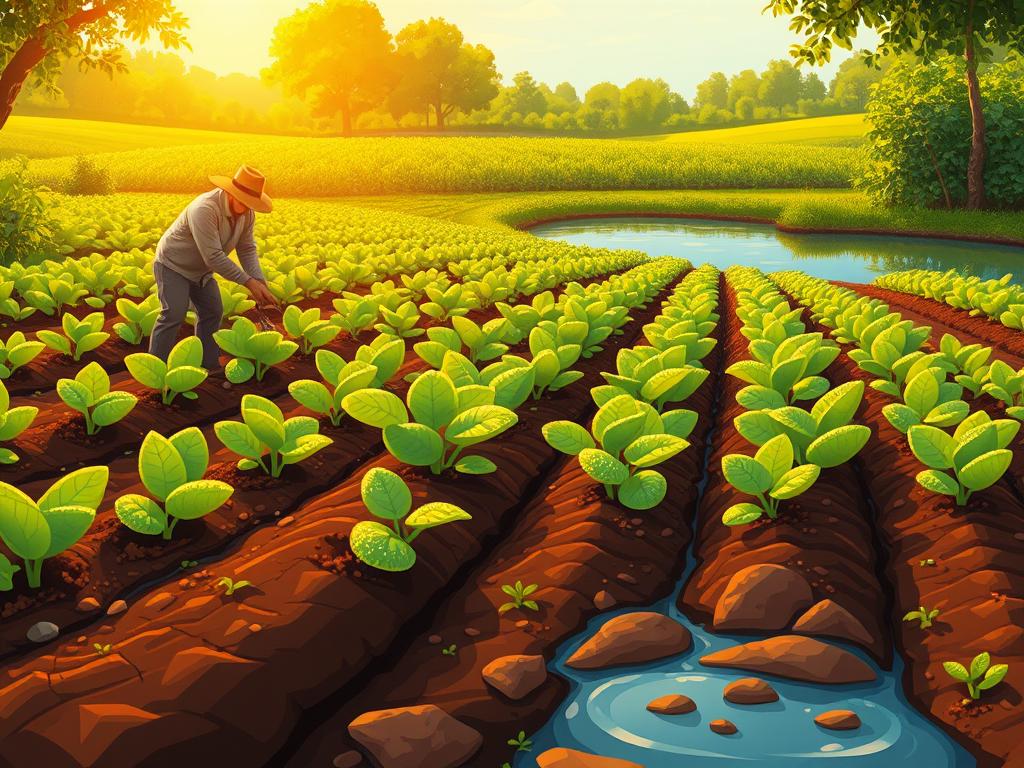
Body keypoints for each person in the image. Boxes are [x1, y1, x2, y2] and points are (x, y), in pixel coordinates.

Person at [148, 164, 279, 371]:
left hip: (201, 271)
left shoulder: (247, 214)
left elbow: (246, 248)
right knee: (174, 312)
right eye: (244, 201)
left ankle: (208, 365)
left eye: (251, 203)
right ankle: (154, 370)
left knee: (213, 311)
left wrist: (259, 280)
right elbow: (213, 256)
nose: (246, 207)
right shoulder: (205, 208)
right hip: (173, 264)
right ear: (230, 193)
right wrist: (248, 282)